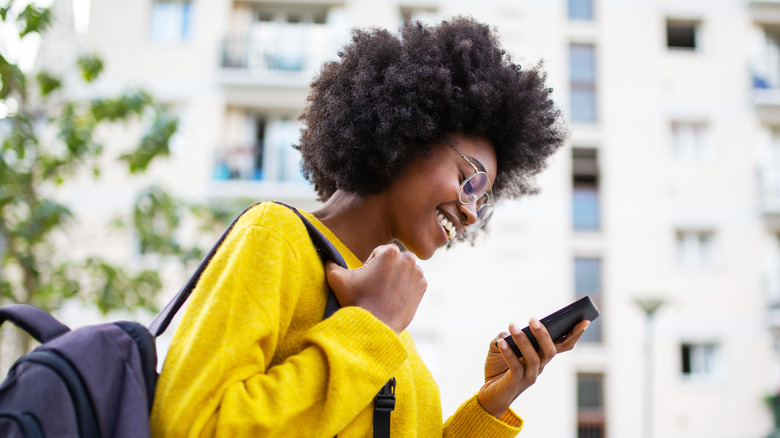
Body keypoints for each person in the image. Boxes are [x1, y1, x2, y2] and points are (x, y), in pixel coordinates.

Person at [150, 16, 590, 437]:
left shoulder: (393, 322)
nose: (472, 213)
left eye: (483, 200)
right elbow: (192, 426)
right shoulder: (277, 236)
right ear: (411, 133)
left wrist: (493, 401)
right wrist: (370, 326)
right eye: (468, 180)